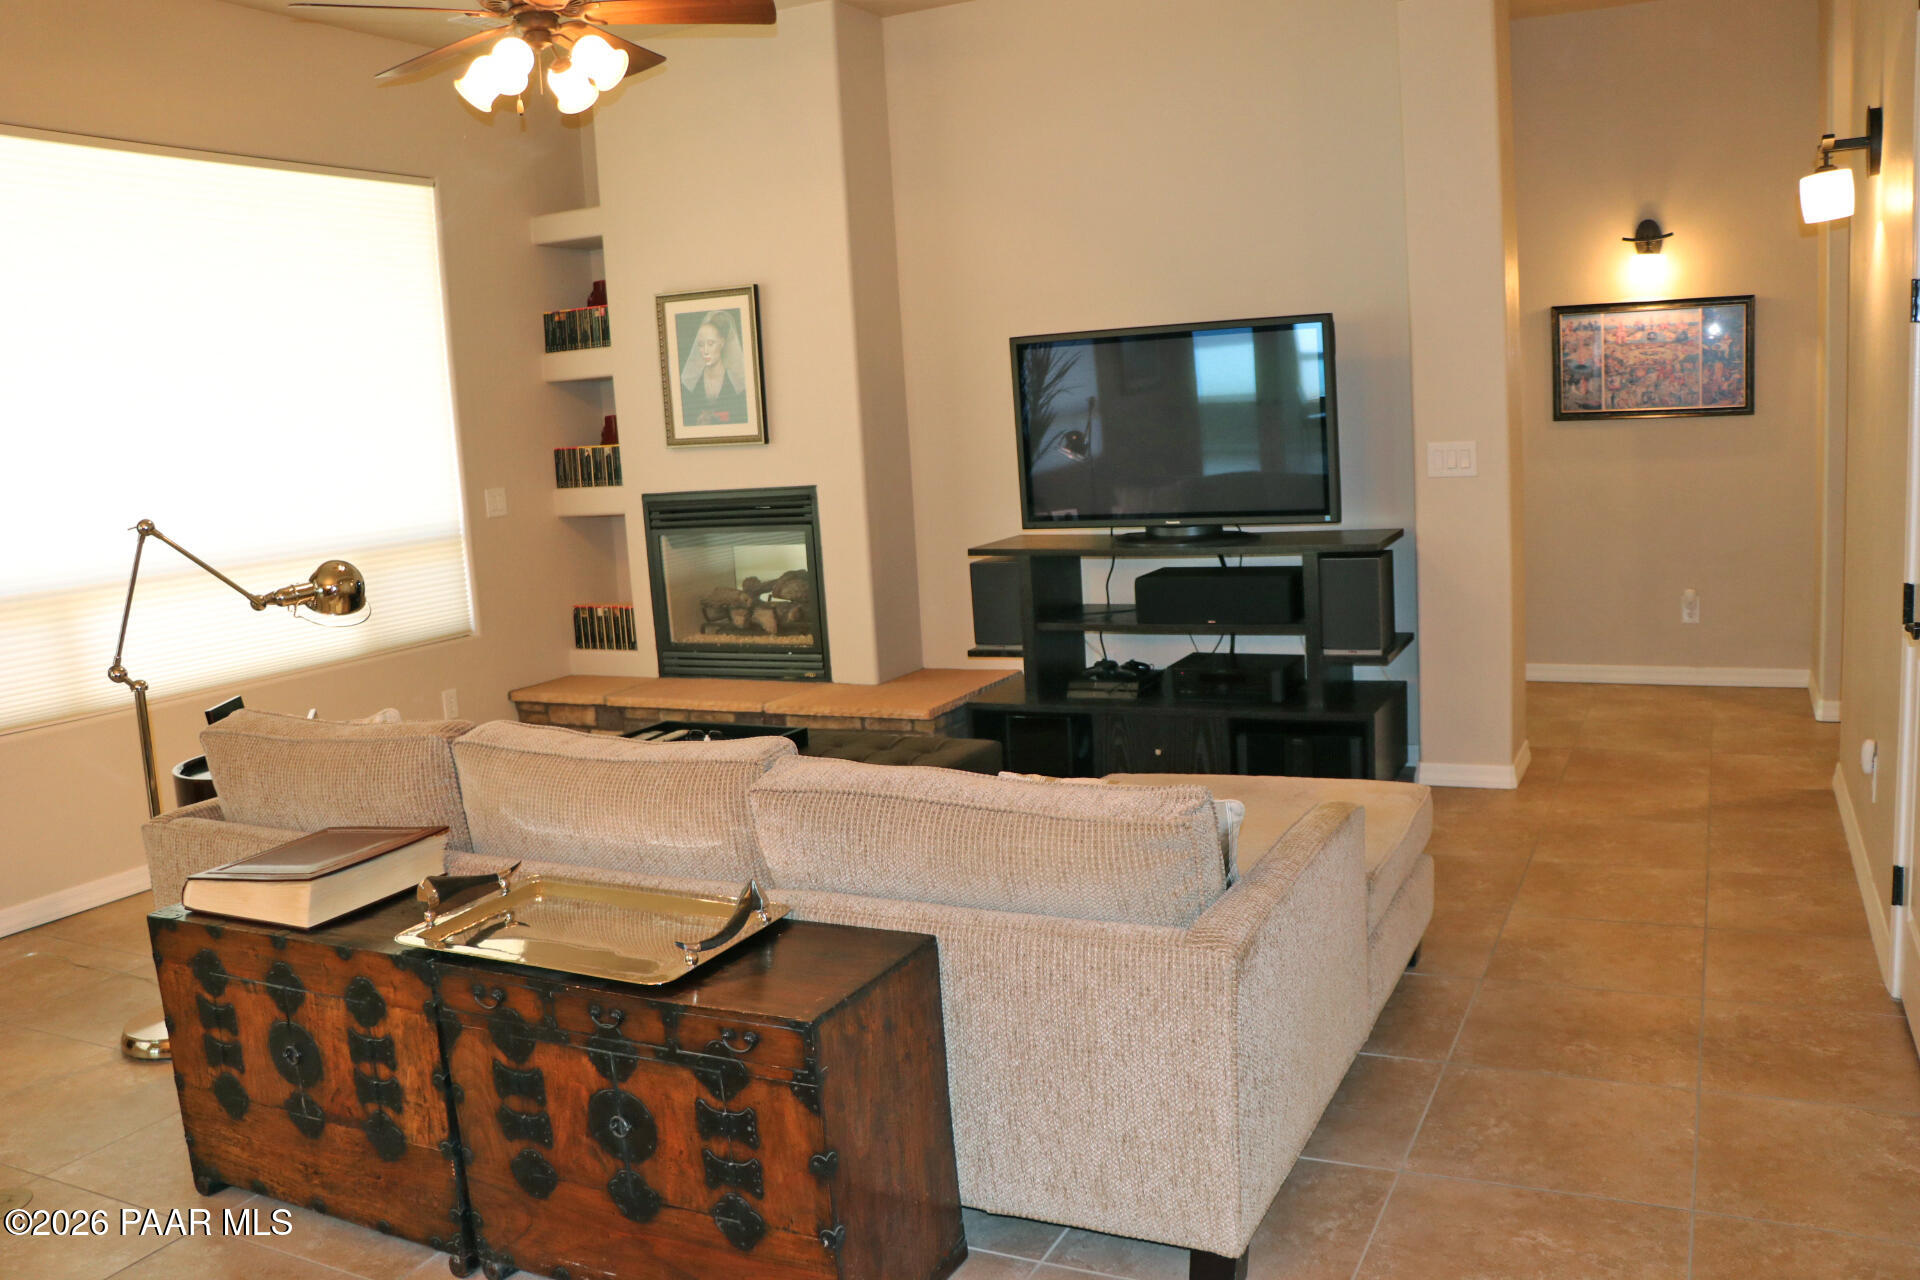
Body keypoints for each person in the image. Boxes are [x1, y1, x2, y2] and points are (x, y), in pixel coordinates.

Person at [680, 309, 751, 428]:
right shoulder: (691, 383)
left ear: (722, 343)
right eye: (701, 345)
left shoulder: (737, 383)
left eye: (711, 343)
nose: (705, 351)